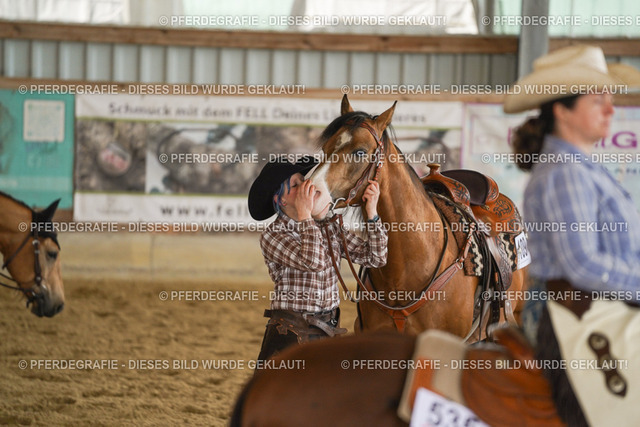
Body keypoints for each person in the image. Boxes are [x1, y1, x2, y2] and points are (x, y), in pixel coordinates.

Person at [505, 45, 640, 426]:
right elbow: (581, 263)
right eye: (598, 100)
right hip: (572, 312)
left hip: (593, 307)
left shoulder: (579, 167)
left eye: (610, 99)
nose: (611, 109)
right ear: (562, 111)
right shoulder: (565, 171)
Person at [248, 156, 388, 361]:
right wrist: (305, 214)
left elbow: (376, 258)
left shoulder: (328, 225)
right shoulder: (273, 235)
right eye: (295, 185)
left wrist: (372, 214)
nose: (306, 187)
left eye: (304, 181)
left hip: (328, 330)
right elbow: (313, 262)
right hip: (290, 333)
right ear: (281, 200)